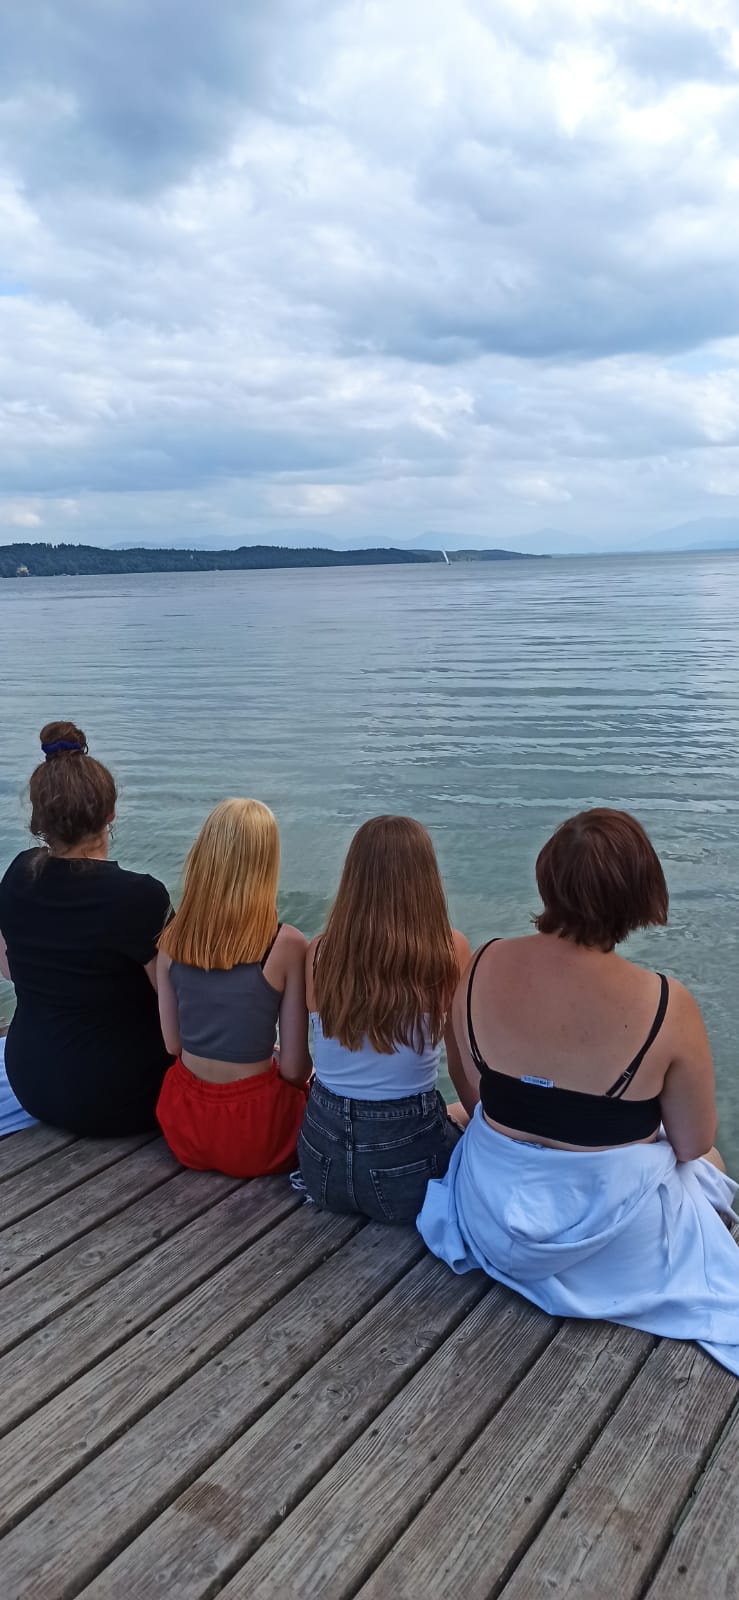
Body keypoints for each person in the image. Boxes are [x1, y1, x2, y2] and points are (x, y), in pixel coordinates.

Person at [419, 807, 739, 1376]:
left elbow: (474, 1094)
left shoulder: (483, 961)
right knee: (707, 1161)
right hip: (614, 1244)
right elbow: (692, 1142)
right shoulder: (666, 1002)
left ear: (547, 876)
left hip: (492, 1214)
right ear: (639, 893)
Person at [0, 721, 173, 1136]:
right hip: (123, 1096)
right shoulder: (141, 896)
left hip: (31, 1082)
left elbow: (7, 967)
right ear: (110, 813)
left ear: (40, 819)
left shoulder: (18, 873)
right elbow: (177, 1005)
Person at [298, 815, 472, 1223]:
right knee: (464, 1116)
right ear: (426, 878)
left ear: (353, 877)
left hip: (321, 1170)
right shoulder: (450, 949)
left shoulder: (320, 952)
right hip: (408, 1175)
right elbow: (461, 1068)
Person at [156, 798, 311, 1178]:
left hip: (184, 1123)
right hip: (256, 1131)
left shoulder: (171, 939)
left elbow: (173, 1045)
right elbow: (294, 1070)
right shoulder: (286, 944)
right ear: (266, 864)